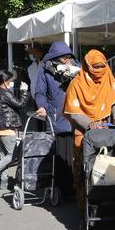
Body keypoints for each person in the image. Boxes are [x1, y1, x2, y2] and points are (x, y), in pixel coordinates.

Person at [63, 50, 115, 210]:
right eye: (95, 67)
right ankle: (85, 212)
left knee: (108, 174)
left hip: (107, 133)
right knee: (84, 174)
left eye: (102, 66)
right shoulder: (76, 84)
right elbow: (73, 112)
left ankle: (108, 210)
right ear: (87, 66)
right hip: (84, 134)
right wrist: (90, 124)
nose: (99, 70)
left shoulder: (108, 79)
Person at [35, 42, 79, 198]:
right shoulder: (45, 70)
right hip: (57, 117)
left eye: (69, 57)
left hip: (78, 117)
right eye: (64, 58)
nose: (67, 60)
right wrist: (42, 106)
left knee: (78, 155)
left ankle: (77, 187)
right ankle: (65, 189)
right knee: (61, 155)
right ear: (55, 57)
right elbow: (40, 92)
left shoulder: (77, 68)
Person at [0, 70, 29, 189]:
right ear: (4, 81)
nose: (11, 82)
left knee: (5, 156)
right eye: (10, 80)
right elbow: (20, 104)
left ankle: (4, 183)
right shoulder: (4, 93)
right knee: (12, 156)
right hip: (7, 128)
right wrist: (24, 91)